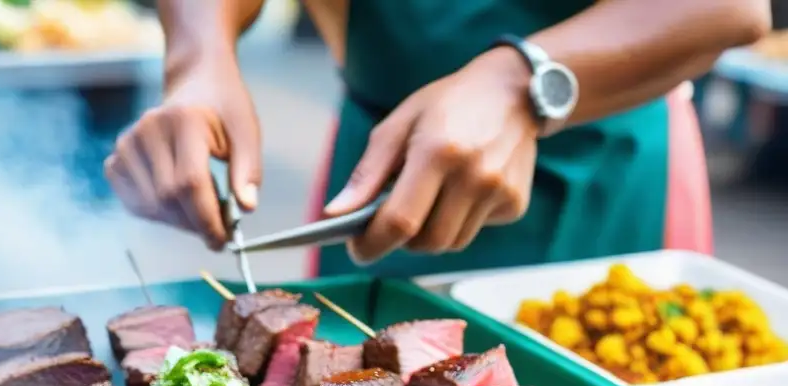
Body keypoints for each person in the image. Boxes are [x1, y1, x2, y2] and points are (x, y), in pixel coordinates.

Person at [105, 0, 770, 278]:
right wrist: (197, 58)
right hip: (378, 167)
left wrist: (521, 84)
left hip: (606, 170)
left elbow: (732, 6)